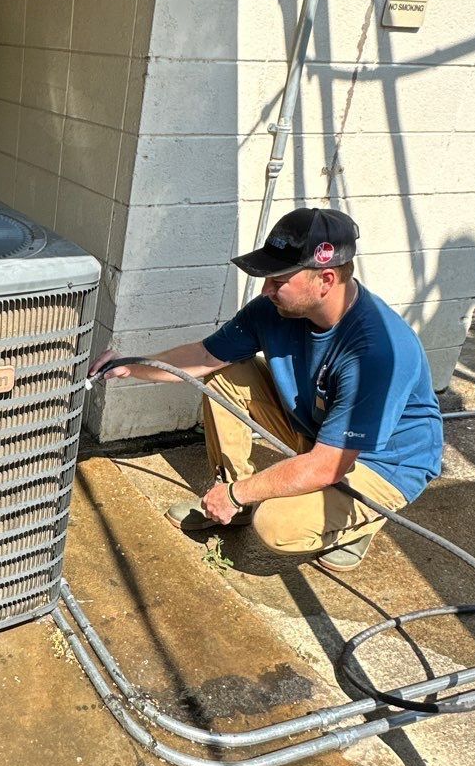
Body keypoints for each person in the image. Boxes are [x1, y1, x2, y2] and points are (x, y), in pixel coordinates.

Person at [97, 208, 443, 573]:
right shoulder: (275, 310)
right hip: (320, 430)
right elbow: (205, 356)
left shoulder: (375, 352)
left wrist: (242, 493)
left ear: (325, 279)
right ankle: (232, 502)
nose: (266, 290)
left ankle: (361, 521)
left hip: (383, 463)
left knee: (276, 526)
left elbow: (327, 466)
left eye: (279, 280)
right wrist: (132, 365)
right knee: (227, 374)